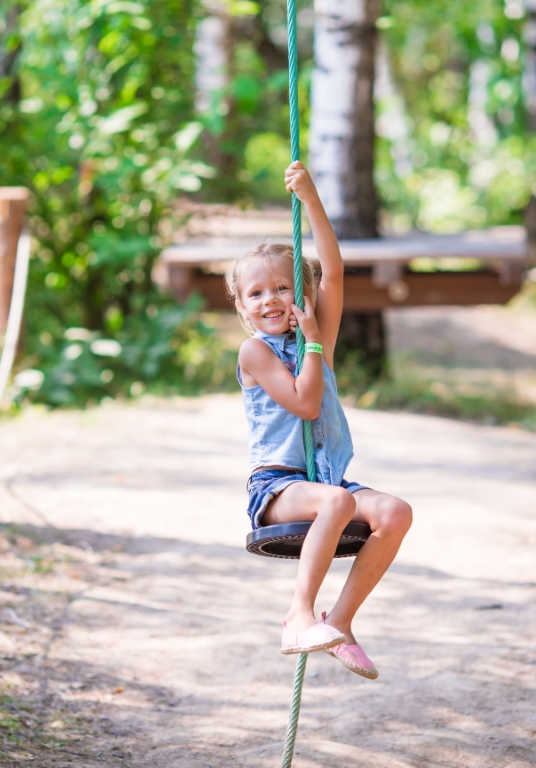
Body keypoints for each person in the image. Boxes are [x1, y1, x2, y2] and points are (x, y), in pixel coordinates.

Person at [224, 161, 413, 680]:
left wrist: (310, 198)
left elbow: (333, 271)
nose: (271, 300)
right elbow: (306, 405)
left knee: (395, 511)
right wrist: (311, 343)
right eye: (257, 294)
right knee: (338, 500)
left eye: (283, 288)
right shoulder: (255, 353)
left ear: (299, 295)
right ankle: (299, 616)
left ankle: (343, 622)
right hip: (279, 486)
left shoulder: (316, 340)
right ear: (243, 308)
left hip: (326, 482)